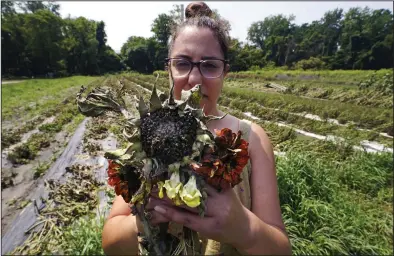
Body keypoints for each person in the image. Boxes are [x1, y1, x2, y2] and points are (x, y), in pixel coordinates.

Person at [102, 2, 292, 255]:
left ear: (225, 71)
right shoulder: (146, 136)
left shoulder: (252, 139)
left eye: (210, 65)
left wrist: (244, 229)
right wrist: (144, 219)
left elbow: (280, 249)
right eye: (182, 63)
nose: (194, 79)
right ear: (167, 68)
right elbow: (111, 243)